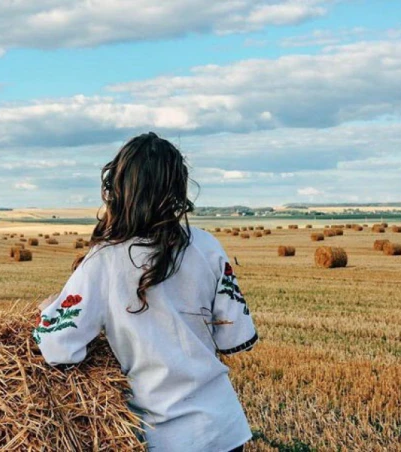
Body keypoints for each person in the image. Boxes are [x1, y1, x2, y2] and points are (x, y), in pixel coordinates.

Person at [33, 132, 257, 452]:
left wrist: (49, 311)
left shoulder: (104, 261)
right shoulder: (207, 246)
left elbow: (57, 346)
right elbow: (234, 336)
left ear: (118, 189)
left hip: (165, 439)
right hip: (224, 430)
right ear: (177, 188)